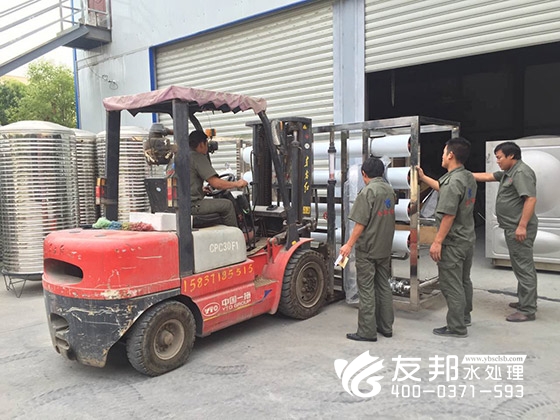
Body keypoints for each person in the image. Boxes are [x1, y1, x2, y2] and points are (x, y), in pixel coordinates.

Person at [417, 137, 477, 338]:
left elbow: (448, 215)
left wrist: (437, 241)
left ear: (451, 155)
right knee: (464, 280)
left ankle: (456, 327)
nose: (441, 156)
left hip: (453, 242)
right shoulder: (466, 176)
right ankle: (464, 317)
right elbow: (445, 189)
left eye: (444, 153)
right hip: (466, 238)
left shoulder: (453, 182)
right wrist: (423, 177)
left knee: (451, 284)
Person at [473, 141, 538, 322]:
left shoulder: (521, 172)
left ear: (511, 156)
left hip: (519, 228)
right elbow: (487, 176)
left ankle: (527, 310)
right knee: (520, 266)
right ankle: (525, 301)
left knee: (524, 268)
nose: (497, 161)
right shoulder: (509, 172)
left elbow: (530, 199)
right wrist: (463, 174)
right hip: (513, 227)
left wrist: (522, 226)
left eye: (499, 157)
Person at [339, 157, 396, 342]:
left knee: (366, 289)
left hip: (368, 248)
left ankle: (367, 331)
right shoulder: (389, 189)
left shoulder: (367, 192)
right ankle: (386, 327)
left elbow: (360, 223)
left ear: (364, 174)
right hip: (384, 247)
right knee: (383, 285)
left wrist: (348, 244)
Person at [189, 130, 247, 227]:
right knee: (227, 205)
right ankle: (234, 235)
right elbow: (216, 183)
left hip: (181, 205)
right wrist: (237, 184)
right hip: (192, 205)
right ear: (201, 144)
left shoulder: (180, 157)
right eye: (206, 144)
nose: (207, 147)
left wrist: (200, 190)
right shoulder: (197, 157)